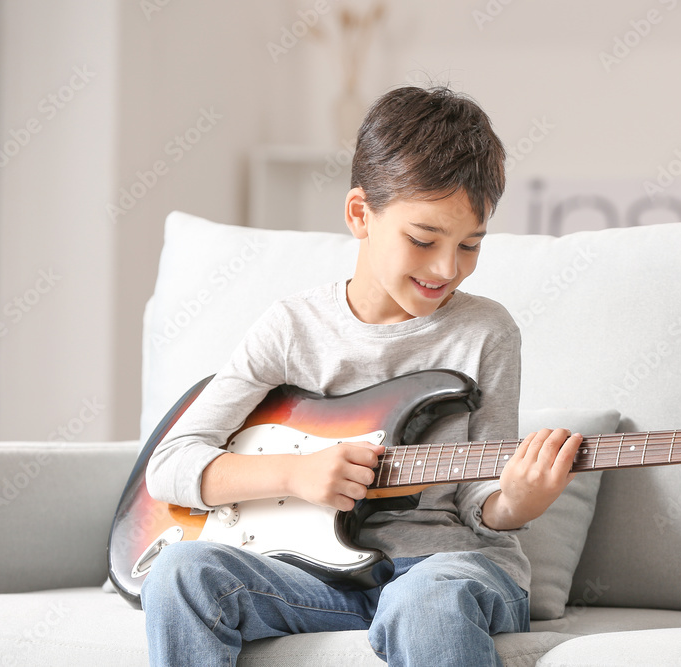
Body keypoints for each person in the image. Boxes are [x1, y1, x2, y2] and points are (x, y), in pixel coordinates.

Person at [142, 85, 582, 667]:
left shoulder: (486, 331)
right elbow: (170, 466)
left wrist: (518, 502)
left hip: (450, 571)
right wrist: (298, 475)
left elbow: (483, 497)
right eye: (423, 240)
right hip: (317, 580)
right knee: (181, 573)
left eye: (470, 245)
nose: (446, 268)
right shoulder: (291, 328)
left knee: (424, 600)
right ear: (359, 215)